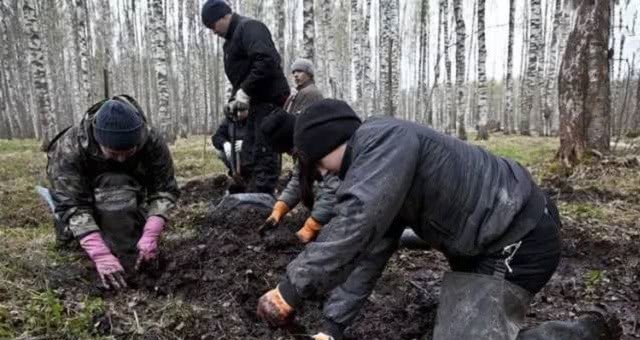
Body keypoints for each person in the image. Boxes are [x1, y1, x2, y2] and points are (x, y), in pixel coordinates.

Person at [255, 99, 621, 340]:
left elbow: (355, 225)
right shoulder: (378, 166)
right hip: (485, 244)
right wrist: (331, 329)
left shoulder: (383, 143)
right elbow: (368, 252)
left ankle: (586, 332)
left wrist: (290, 290)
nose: (319, 173)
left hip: (518, 240)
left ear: (328, 144)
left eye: (317, 162)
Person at [45, 95, 180, 290]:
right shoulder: (69, 147)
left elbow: (164, 189)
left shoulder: (151, 140)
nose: (122, 160)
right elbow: (71, 203)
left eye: (129, 152)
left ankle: (126, 250)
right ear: (98, 141)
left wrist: (152, 231)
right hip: (84, 204)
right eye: (113, 153)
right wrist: (99, 252)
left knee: (118, 185)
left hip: (129, 202)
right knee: (111, 183)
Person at [202, 0, 290, 195]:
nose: (212, 31)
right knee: (249, 152)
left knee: (264, 150)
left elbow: (267, 60)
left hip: (269, 100)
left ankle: (263, 195)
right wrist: (235, 98)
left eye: (212, 25)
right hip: (255, 103)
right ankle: (251, 191)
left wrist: (245, 91)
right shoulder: (230, 43)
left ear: (225, 15)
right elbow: (241, 77)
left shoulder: (250, 28)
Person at [259, 110, 337, 243]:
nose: (290, 155)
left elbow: (333, 190)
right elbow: (298, 181)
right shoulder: (304, 146)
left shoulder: (324, 145)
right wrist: (279, 209)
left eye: (289, 150)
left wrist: (312, 226)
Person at [211, 116, 249, 193]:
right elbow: (216, 137)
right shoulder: (229, 120)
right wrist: (224, 143)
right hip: (235, 155)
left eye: (242, 110)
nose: (238, 114)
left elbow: (262, 139)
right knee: (219, 152)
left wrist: (247, 144)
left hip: (252, 157)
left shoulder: (254, 118)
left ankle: (249, 176)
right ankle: (235, 175)